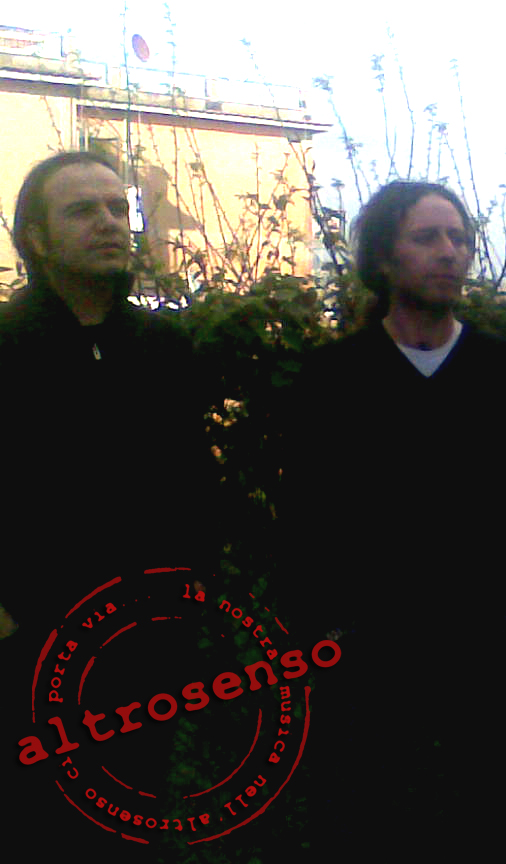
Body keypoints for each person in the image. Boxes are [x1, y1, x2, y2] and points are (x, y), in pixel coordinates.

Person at [278, 180, 506, 858]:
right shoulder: (332, 378)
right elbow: (306, 517)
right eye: (426, 237)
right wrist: (326, 631)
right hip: (367, 655)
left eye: (458, 238)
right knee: (361, 826)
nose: (449, 252)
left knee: (498, 825)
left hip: (487, 651)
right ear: (383, 258)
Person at [0, 151, 211, 854]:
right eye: (83, 210)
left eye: (119, 208)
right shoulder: (6, 347)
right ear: (36, 238)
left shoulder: (162, 347)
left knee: (131, 821)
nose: (111, 223)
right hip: (29, 651)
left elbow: (190, 487)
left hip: (145, 648)